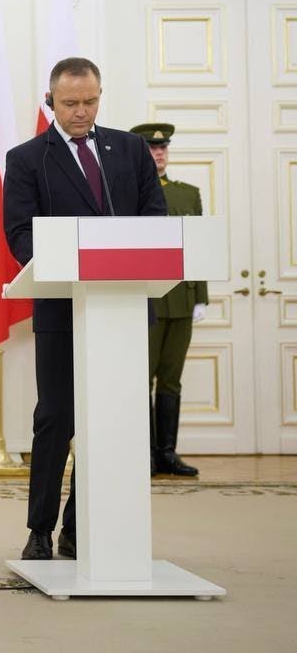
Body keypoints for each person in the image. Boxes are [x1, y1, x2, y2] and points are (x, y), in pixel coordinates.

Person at [3, 58, 167, 561]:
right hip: (62, 308)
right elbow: (19, 233)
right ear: (49, 101)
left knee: (110, 420)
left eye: (90, 101)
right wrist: (67, 261)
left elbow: (154, 218)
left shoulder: (131, 149)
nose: (81, 112)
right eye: (70, 103)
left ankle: (78, 528)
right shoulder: (28, 158)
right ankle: (39, 530)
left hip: (121, 310)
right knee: (56, 419)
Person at [131, 122, 203, 478]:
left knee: (172, 378)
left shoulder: (188, 194)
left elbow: (197, 249)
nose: (158, 153)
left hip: (182, 300)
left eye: (163, 148)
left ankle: (167, 453)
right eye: (151, 148)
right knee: (142, 377)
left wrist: (200, 296)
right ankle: (144, 453)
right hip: (148, 299)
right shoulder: (131, 193)